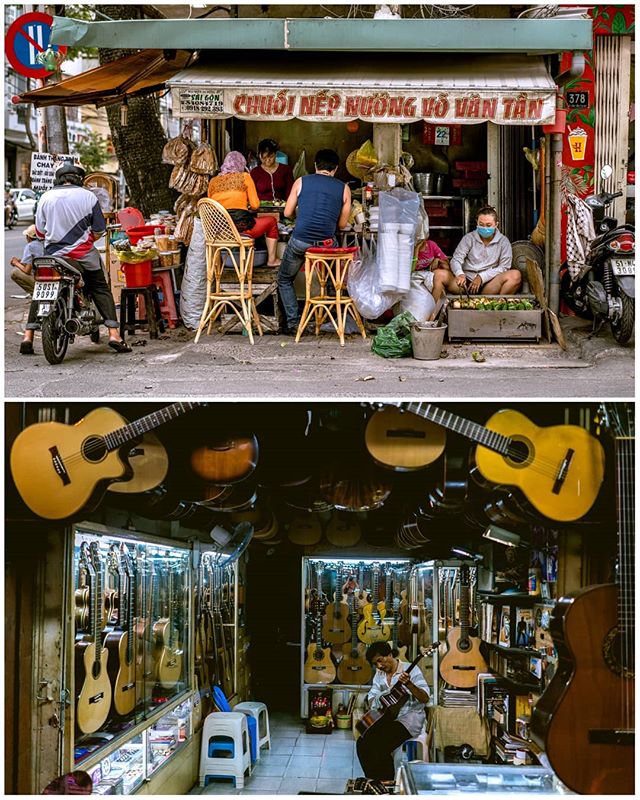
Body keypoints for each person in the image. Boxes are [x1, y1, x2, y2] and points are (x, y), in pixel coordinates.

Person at [35, 163, 131, 353]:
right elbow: (98, 231)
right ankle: (114, 333)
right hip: (83, 256)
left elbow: (39, 232)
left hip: (53, 257)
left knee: (40, 289)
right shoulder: (88, 197)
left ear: (58, 179)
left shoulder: (45, 197)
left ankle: (29, 335)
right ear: (80, 179)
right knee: (100, 287)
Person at [277, 149, 351, 334]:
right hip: (326, 246)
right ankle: (330, 317)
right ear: (335, 169)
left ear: (315, 166)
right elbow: (342, 225)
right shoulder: (344, 188)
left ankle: (294, 324)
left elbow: (286, 213)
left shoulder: (301, 181)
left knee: (284, 279)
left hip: (300, 241)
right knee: (334, 281)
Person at [356, 641, 430, 785]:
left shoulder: (411, 669)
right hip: (387, 717)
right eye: (375, 664)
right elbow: (373, 694)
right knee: (362, 743)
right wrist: (377, 703)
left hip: (408, 719)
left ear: (389, 654)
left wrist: (409, 684)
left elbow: (425, 698)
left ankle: (387, 782)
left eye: (380, 661)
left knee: (380, 744)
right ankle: (373, 780)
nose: (379, 666)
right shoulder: (380, 673)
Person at [207, 151, 281, 267]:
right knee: (271, 221)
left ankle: (218, 265)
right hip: (241, 229)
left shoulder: (213, 181)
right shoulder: (245, 177)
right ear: (241, 164)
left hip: (219, 232)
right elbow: (255, 205)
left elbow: (210, 207)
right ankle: (271, 260)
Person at [431, 206, 521, 300]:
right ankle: (434, 313)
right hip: (465, 284)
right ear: (477, 223)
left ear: (496, 225)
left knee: (515, 275)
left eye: (488, 225)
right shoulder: (469, 238)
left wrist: (481, 277)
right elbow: (456, 260)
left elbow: (504, 267)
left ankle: (497, 307)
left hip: (489, 285)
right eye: (481, 224)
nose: (484, 227)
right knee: (438, 274)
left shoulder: (503, 241)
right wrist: (460, 274)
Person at [10, 225, 43, 355]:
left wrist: (16, 263)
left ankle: (33, 291)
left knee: (14, 273)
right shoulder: (49, 243)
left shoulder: (31, 246)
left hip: (41, 281)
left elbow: (27, 270)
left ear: (29, 237)